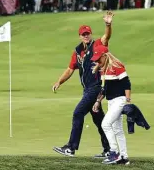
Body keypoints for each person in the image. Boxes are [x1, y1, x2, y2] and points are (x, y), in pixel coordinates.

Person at [52, 11, 115, 158]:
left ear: (91, 34)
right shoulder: (78, 51)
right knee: (99, 120)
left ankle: (71, 148)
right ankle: (109, 150)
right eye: (83, 34)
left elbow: (107, 37)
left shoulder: (96, 45)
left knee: (78, 113)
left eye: (88, 33)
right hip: (87, 89)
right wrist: (59, 82)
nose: (86, 36)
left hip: (96, 87)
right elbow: (70, 69)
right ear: (80, 36)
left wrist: (108, 24)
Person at [91, 45, 131, 165]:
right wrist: (98, 101)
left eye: (99, 59)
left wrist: (128, 100)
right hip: (111, 101)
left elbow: (127, 84)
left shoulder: (117, 67)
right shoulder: (103, 69)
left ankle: (114, 153)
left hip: (120, 100)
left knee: (106, 124)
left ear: (105, 56)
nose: (98, 61)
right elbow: (105, 88)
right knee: (117, 129)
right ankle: (124, 157)